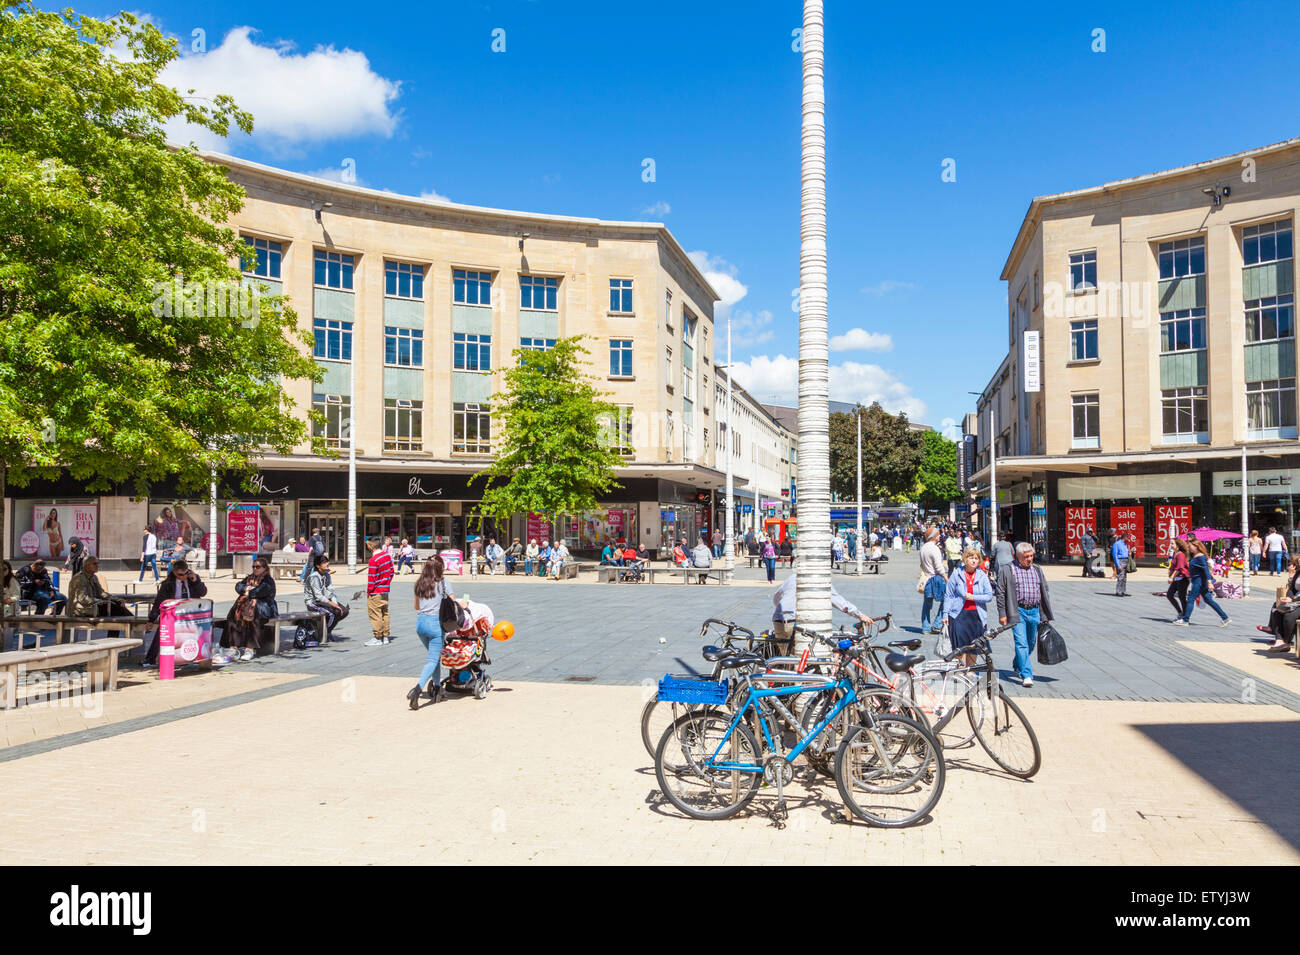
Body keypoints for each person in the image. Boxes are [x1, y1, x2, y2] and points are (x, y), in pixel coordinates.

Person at [995, 542, 1055, 687]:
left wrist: (1044, 615)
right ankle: (1026, 675)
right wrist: (1002, 613)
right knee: (1021, 643)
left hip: (1034, 611)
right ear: (1018, 556)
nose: (1030, 559)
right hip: (1018, 612)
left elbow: (1044, 591)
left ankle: (1018, 663)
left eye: (1031, 556)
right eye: (1026, 556)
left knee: (1031, 643)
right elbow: (1000, 592)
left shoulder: (1037, 569)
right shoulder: (1008, 569)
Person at [771, 573, 874, 656]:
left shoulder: (793, 576)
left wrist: (786, 609)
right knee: (802, 659)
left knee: (786, 658)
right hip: (795, 621)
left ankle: (784, 680)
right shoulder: (819, 577)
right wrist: (859, 615)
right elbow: (838, 601)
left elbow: (777, 598)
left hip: (779, 619)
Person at [408, 556, 454, 709]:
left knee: (434, 657)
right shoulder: (443, 583)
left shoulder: (419, 583)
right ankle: (417, 689)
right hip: (435, 625)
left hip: (420, 624)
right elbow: (452, 602)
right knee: (432, 660)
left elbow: (416, 606)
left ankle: (437, 686)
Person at [144, 559, 208, 666]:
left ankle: (197, 656)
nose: (183, 576)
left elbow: (203, 593)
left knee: (199, 630)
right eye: (180, 574)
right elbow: (159, 601)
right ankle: (150, 658)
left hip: (191, 613)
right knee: (163, 630)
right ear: (174, 572)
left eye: (185, 573)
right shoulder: (168, 584)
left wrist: (196, 581)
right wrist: (151, 619)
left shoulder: (193, 579)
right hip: (173, 613)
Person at [944, 547, 995, 667]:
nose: (973, 561)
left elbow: (989, 596)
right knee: (959, 645)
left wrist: (973, 597)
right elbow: (949, 594)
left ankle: (971, 670)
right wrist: (945, 614)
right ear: (965, 559)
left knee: (974, 646)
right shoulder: (957, 573)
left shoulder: (982, 576)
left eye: (976, 558)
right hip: (959, 615)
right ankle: (960, 669)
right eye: (971, 557)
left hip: (976, 616)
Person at [224, 557, 276, 661]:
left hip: (264, 608)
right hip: (247, 606)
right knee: (234, 613)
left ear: (264, 568)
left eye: (258, 567)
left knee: (253, 615)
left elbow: (260, 592)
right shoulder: (250, 578)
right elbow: (238, 586)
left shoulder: (268, 580)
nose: (255, 569)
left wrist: (249, 592)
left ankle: (250, 649)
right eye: (253, 567)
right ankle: (233, 647)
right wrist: (246, 589)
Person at [1174, 540, 1230, 627]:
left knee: (1191, 599)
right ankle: (1225, 618)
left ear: (1196, 546)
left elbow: (1206, 570)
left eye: (1190, 546)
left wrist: (1209, 582)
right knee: (1208, 600)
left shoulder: (1201, 557)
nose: (1189, 547)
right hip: (1197, 581)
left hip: (1199, 582)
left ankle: (1185, 620)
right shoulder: (1194, 556)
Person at [301, 553, 349, 640]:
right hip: (313, 603)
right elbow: (318, 596)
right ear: (318, 566)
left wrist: (335, 603)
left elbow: (331, 590)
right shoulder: (314, 577)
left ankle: (326, 630)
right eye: (324, 562)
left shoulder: (326, 575)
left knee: (344, 611)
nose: (327, 564)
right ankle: (324, 632)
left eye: (327, 562)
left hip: (323, 601)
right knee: (332, 614)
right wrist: (334, 605)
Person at [1261, 555, 1300, 651]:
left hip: (1298, 602)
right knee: (1277, 610)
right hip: (1296, 601)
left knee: (1289, 616)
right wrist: (1288, 597)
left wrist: (1293, 600)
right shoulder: (1298, 573)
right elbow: (1292, 589)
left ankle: (1286, 642)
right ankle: (1279, 640)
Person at [365, 537, 394, 646]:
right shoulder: (387, 556)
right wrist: (386, 584)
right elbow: (391, 572)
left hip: (375, 591)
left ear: (371, 546)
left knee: (375, 614)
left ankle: (377, 637)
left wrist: (369, 591)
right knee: (384, 613)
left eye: (368, 545)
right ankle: (385, 636)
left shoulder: (373, 560)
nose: (367, 547)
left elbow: (371, 578)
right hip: (385, 590)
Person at [918, 527, 946, 634]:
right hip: (936, 579)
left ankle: (925, 627)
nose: (939, 536)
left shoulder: (923, 548)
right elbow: (939, 567)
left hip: (926, 578)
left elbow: (921, 565)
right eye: (938, 534)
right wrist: (946, 578)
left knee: (927, 604)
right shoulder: (934, 549)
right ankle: (937, 624)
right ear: (933, 536)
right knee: (946, 600)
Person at [1166, 538, 1192, 620]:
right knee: (1169, 595)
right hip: (1177, 578)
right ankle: (1180, 612)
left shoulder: (1180, 554)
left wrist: (1171, 577)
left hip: (1183, 578)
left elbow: (1179, 568)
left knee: (1182, 597)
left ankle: (1185, 616)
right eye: (1171, 543)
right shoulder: (1175, 553)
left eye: (1173, 544)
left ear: (1178, 545)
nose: (1171, 545)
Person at [1111, 531, 1130, 597]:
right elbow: (1114, 555)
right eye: (1128, 538)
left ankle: (1123, 591)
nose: (1129, 539)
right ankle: (1118, 591)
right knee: (1120, 577)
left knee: (1124, 577)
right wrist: (1118, 565)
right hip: (1120, 561)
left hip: (1125, 560)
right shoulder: (1117, 544)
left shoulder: (1125, 544)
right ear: (1125, 537)